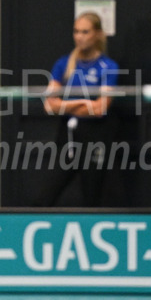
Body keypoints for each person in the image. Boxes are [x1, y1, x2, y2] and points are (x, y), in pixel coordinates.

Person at [38, 11, 120, 207]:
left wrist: (64, 105)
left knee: (92, 198)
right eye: (76, 31)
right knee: (45, 197)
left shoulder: (108, 66)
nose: (79, 37)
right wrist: (83, 103)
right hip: (68, 136)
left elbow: (100, 109)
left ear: (97, 34)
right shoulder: (63, 64)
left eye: (85, 32)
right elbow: (49, 105)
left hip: (95, 137)